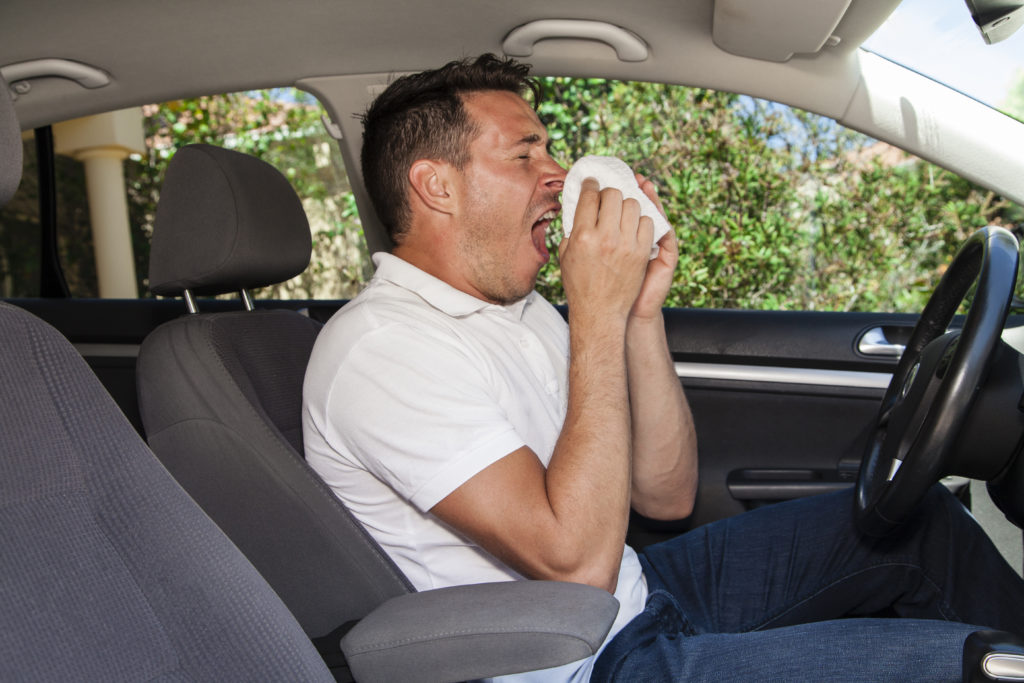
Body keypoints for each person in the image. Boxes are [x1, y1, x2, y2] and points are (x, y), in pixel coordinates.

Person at [302, 54, 1024, 681]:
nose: (557, 173)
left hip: (642, 591)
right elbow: (574, 563)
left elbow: (667, 494)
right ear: (437, 186)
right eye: (524, 154)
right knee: (974, 664)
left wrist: (639, 314)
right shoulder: (381, 350)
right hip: (582, 661)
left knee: (922, 521)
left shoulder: (513, 309)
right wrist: (593, 314)